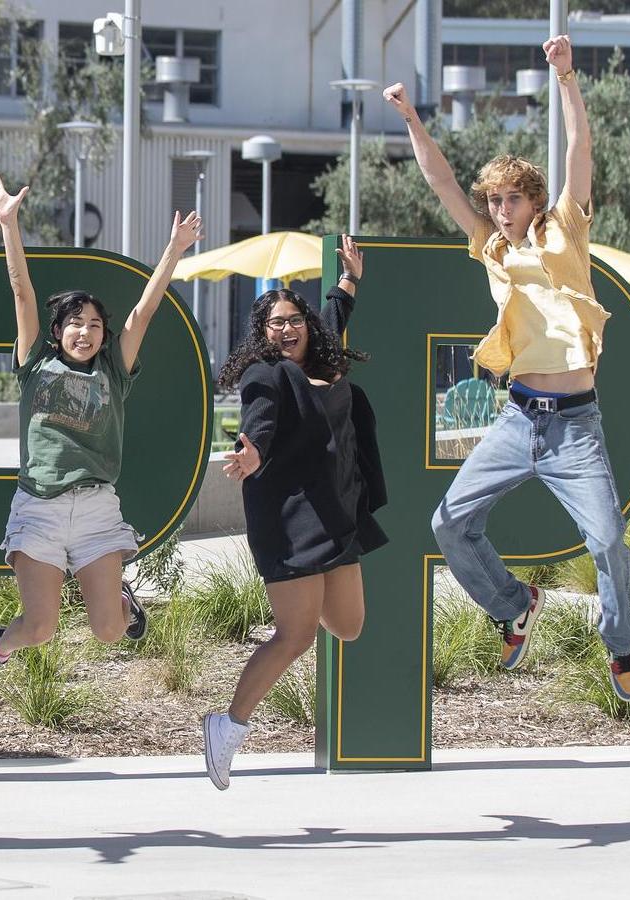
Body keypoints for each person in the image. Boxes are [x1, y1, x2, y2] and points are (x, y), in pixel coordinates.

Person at [389, 35, 630, 701]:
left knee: (609, 541)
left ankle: (620, 644)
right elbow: (441, 181)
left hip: (576, 426)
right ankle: (513, 604)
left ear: (532, 201)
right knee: (449, 523)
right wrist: (414, 120)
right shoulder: (490, 248)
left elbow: (579, 152)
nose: (500, 212)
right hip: (518, 416)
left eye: (510, 201)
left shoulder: (566, 231)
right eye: (494, 203)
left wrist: (566, 79)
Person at [0, 176, 202, 689]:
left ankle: (119, 597)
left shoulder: (113, 372)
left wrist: (174, 250)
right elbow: (21, 289)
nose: (85, 332)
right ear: (56, 332)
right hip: (38, 509)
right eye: (75, 322)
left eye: (94, 325)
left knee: (111, 631)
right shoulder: (34, 364)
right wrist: (9, 223)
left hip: (96, 509)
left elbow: (144, 312)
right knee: (41, 627)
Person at [203, 239, 388, 789]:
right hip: (290, 519)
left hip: (337, 511)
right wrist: (252, 451)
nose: (285, 331)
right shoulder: (268, 375)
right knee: (296, 635)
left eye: (293, 321)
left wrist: (349, 281)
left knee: (349, 626)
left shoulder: (323, 357)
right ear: (261, 335)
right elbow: (258, 421)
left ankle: (300, 611)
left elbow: (331, 318)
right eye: (273, 325)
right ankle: (228, 725)